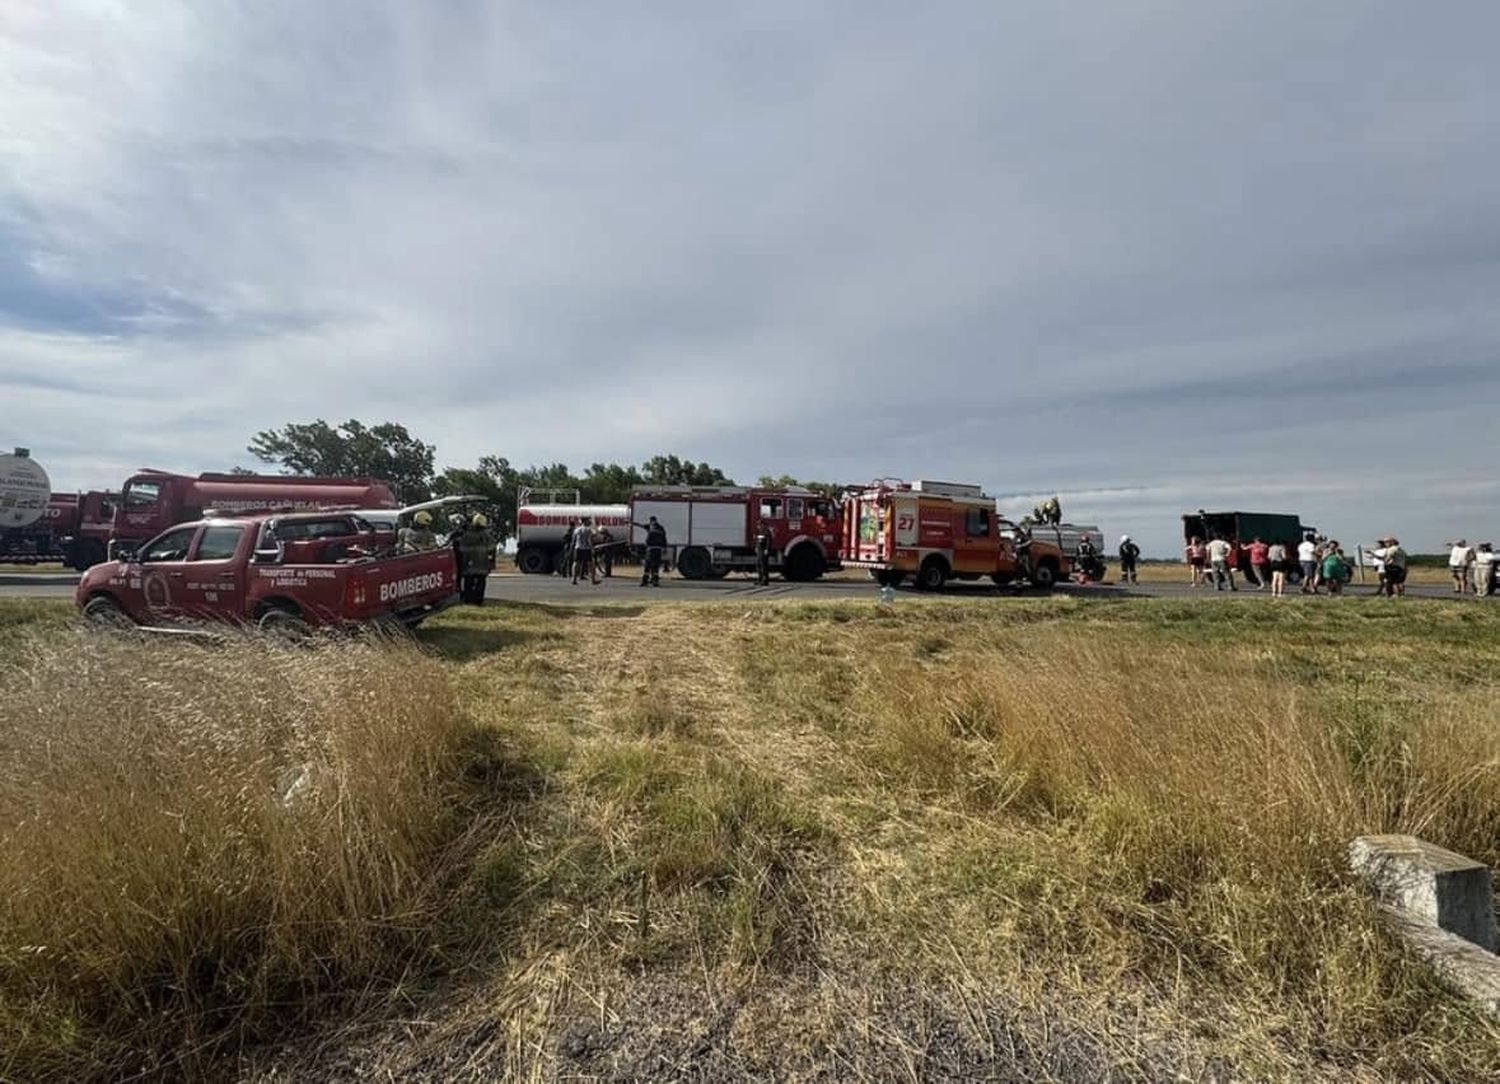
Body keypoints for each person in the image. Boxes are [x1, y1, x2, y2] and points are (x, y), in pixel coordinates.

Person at [454, 513, 494, 605]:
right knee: (480, 583)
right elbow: (491, 547)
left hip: (469, 564)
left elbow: (461, 548)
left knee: (469, 582)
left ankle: (468, 599)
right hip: (482, 564)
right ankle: (478, 600)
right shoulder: (486, 535)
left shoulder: (467, 535)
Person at [639, 515, 668, 587]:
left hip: (651, 550)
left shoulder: (650, 528)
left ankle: (645, 581)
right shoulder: (661, 528)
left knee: (647, 566)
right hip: (658, 550)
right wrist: (664, 548)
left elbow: (647, 540)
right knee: (655, 566)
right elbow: (664, 539)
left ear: (651, 521)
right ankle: (655, 581)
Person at [571, 517, 597, 585]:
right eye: (588, 521)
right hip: (586, 548)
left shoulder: (577, 529)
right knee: (591, 564)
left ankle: (574, 579)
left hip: (578, 547)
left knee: (576, 563)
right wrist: (594, 525)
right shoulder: (589, 529)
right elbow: (594, 536)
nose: (589, 522)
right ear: (585, 521)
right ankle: (593, 580)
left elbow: (574, 539)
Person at [754, 521, 774, 585]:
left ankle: (765, 580)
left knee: (763, 566)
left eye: (760, 524)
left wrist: (766, 549)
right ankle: (760, 579)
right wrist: (756, 547)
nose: (758, 526)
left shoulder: (766, 531)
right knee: (758, 565)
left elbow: (768, 541)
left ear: (763, 525)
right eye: (758, 525)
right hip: (759, 550)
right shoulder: (759, 532)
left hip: (763, 550)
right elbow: (757, 541)